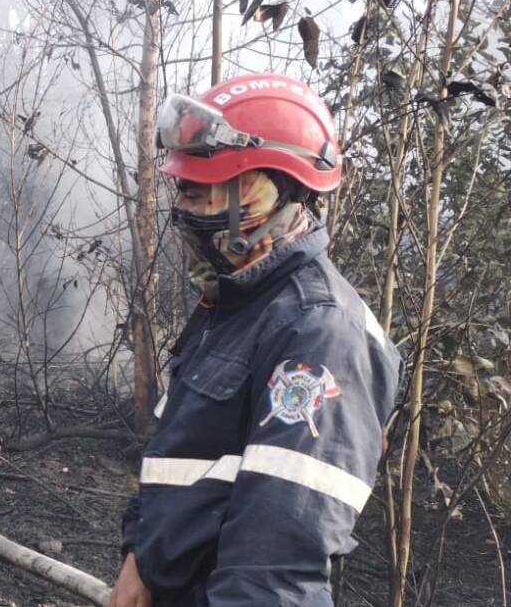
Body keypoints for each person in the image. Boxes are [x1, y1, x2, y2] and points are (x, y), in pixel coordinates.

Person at [110, 73, 402, 607]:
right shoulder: (238, 301)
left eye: (201, 192)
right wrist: (141, 558)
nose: (184, 212)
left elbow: (273, 574)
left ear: (271, 191)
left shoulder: (320, 335)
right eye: (183, 190)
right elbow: (186, 457)